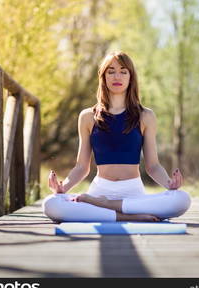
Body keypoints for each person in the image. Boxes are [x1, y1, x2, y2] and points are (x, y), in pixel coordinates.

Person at [42, 51, 191, 222]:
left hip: (132, 193)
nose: (116, 76)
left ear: (131, 77)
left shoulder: (145, 116)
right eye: (111, 71)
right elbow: (82, 167)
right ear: (103, 77)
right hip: (100, 190)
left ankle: (108, 208)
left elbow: (153, 166)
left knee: (181, 199)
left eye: (123, 71)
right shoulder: (87, 116)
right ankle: (124, 216)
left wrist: (169, 184)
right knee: (51, 204)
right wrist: (63, 187)